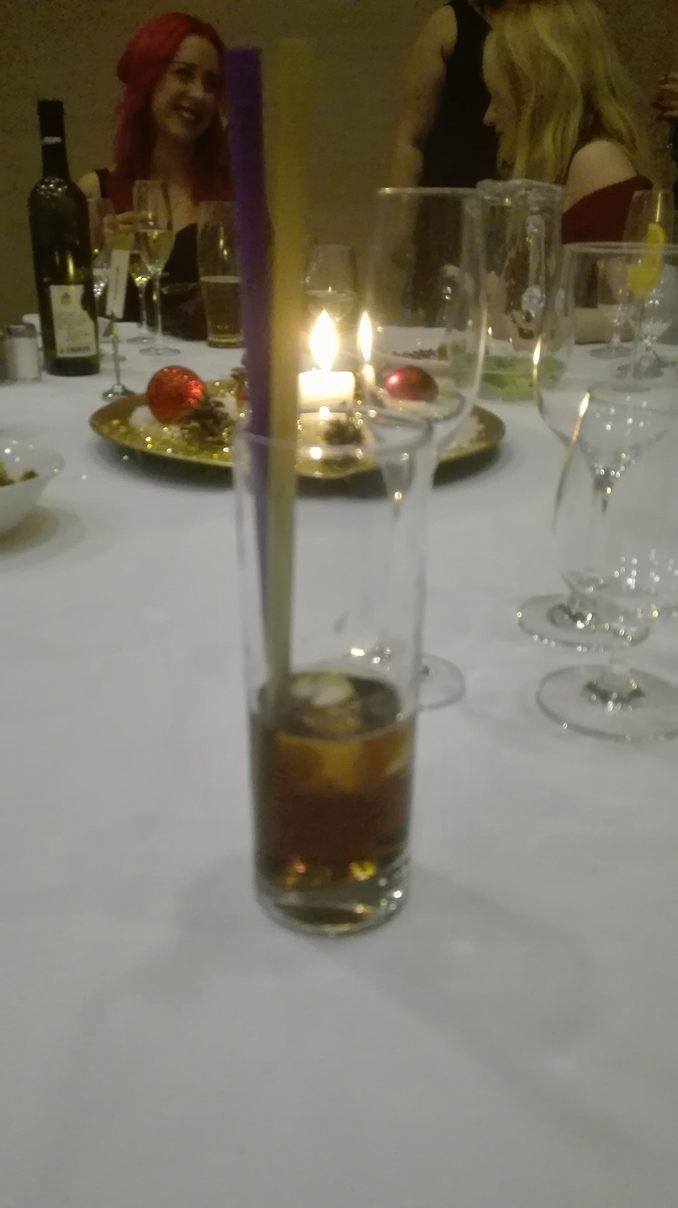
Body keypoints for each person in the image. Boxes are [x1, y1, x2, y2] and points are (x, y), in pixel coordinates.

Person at [79, 11, 229, 334]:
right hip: (127, 365)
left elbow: (266, 302)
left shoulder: (233, 197)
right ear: (149, 80)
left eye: (211, 84)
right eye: (184, 74)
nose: (199, 94)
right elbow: (75, 317)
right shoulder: (96, 191)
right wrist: (100, 258)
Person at [482, 0, 654, 242]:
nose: (488, 117)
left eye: (499, 96)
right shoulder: (562, 170)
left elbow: (615, 267)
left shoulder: (597, 162)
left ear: (537, 98)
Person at [391, 0, 504, 189]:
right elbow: (410, 139)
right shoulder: (447, 25)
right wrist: (403, 204)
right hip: (450, 185)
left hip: (516, 186)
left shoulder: (542, 29)